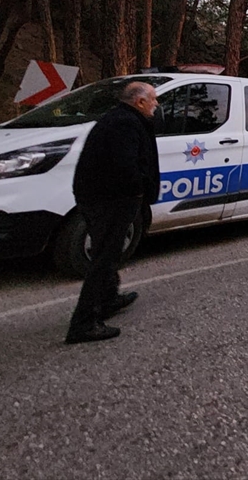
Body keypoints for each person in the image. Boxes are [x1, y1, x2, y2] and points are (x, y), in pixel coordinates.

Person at [65, 81, 160, 345]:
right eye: (153, 99)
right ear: (139, 102)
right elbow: (124, 165)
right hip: (110, 200)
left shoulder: (119, 118)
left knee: (109, 251)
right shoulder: (124, 124)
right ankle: (83, 324)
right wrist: (140, 188)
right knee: (105, 257)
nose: (157, 104)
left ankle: (107, 299)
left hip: (102, 197)